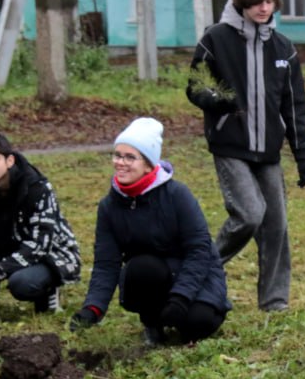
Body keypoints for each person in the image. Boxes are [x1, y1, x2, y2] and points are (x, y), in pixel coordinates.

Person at [186, 0, 305, 313]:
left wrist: (301, 155)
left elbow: (294, 105)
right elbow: (195, 86)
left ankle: (274, 301)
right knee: (250, 214)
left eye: (270, 1)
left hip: (268, 151)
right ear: (244, 1)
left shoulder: (284, 48)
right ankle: (197, 274)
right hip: (231, 146)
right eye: (257, 1)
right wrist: (220, 100)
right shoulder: (215, 39)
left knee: (277, 226)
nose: (264, 8)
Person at [70, 118, 230, 344]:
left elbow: (200, 250)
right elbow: (106, 263)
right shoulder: (109, 207)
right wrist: (92, 309)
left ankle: (183, 313)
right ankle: (152, 321)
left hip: (193, 273)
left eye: (130, 157)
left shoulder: (177, 195)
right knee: (142, 267)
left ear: (148, 164)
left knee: (199, 322)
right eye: (117, 155)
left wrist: (181, 298)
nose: (120, 162)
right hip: (151, 275)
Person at [0, 133, 81, 314]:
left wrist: (0, 269)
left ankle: (48, 289)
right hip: (7, 247)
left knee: (22, 283)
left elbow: (40, 244)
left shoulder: (37, 188)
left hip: (50, 255)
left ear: (9, 161)